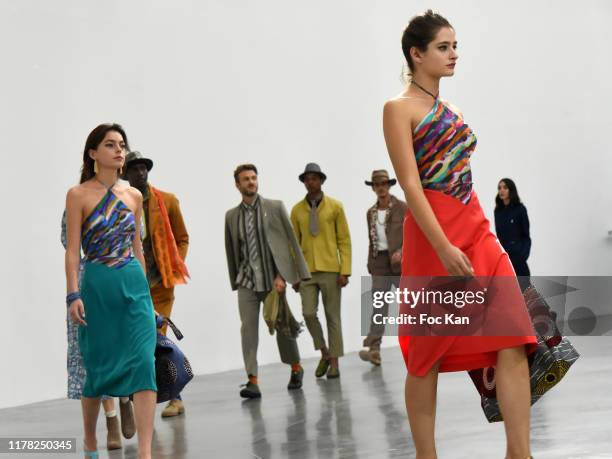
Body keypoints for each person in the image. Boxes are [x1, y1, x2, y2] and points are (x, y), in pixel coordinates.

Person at [382, 11, 537, 459]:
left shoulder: (452, 111)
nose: (454, 55)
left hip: (477, 230)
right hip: (434, 236)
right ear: (417, 53)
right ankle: (425, 455)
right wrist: (443, 246)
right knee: (426, 353)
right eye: (443, 47)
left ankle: (519, 453)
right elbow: (410, 185)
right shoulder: (398, 108)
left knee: (514, 336)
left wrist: (473, 235)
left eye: (455, 46)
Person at [64, 123, 156, 459]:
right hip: (98, 283)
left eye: (121, 144)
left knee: (145, 363)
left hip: (132, 282)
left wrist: (147, 296)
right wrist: (73, 294)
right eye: (110, 144)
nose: (119, 150)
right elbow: (73, 251)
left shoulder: (133, 195)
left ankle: (145, 452)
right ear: (93, 153)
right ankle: (90, 440)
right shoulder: (78, 195)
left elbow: (139, 248)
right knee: (98, 367)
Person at [225, 164, 311, 399]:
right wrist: (235, 281)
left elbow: (290, 242)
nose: (251, 182)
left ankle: (296, 367)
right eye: (245, 179)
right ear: (237, 184)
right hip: (247, 282)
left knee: (283, 325)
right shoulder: (231, 216)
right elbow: (232, 251)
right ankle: (252, 380)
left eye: (253, 178)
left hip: (274, 280)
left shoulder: (274, 207)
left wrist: (286, 276)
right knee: (248, 330)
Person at [123, 151, 190, 418]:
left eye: (143, 168)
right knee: (136, 343)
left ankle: (175, 396)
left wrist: (174, 265)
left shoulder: (167, 201)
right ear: (125, 174)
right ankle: (141, 398)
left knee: (158, 339)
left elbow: (183, 237)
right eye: (134, 169)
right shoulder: (121, 203)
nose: (140, 173)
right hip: (132, 285)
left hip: (161, 283)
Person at [61, 213, 136, 450]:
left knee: (121, 347)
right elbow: (68, 241)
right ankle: (111, 419)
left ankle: (124, 398)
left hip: (121, 275)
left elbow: (137, 238)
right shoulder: (76, 202)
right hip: (90, 279)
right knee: (94, 354)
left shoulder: (123, 201)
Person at [291, 163, 352, 379]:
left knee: (332, 317)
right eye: (307, 178)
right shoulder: (297, 210)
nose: (311, 182)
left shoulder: (335, 207)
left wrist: (345, 270)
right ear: (304, 182)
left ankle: (334, 363)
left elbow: (344, 240)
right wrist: (294, 275)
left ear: (321, 180)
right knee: (308, 313)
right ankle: (324, 352)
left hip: (331, 270)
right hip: (306, 271)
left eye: (314, 178)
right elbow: (293, 245)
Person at [359, 170, 407, 366]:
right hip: (379, 264)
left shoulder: (402, 208)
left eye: (384, 184)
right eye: (377, 184)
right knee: (379, 306)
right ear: (373, 187)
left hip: (400, 264)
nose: (380, 187)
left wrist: (403, 251)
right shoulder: (370, 213)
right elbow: (372, 241)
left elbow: (414, 233)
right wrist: (370, 264)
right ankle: (374, 349)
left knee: (410, 304)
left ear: (389, 185)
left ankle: (422, 343)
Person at [495, 178, 531, 291]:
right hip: (506, 260)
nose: (502, 190)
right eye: (499, 188)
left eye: (505, 188)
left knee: (525, 294)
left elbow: (526, 236)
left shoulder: (520, 209)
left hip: (519, 259)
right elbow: (499, 237)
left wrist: (522, 255)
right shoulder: (498, 212)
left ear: (511, 190)